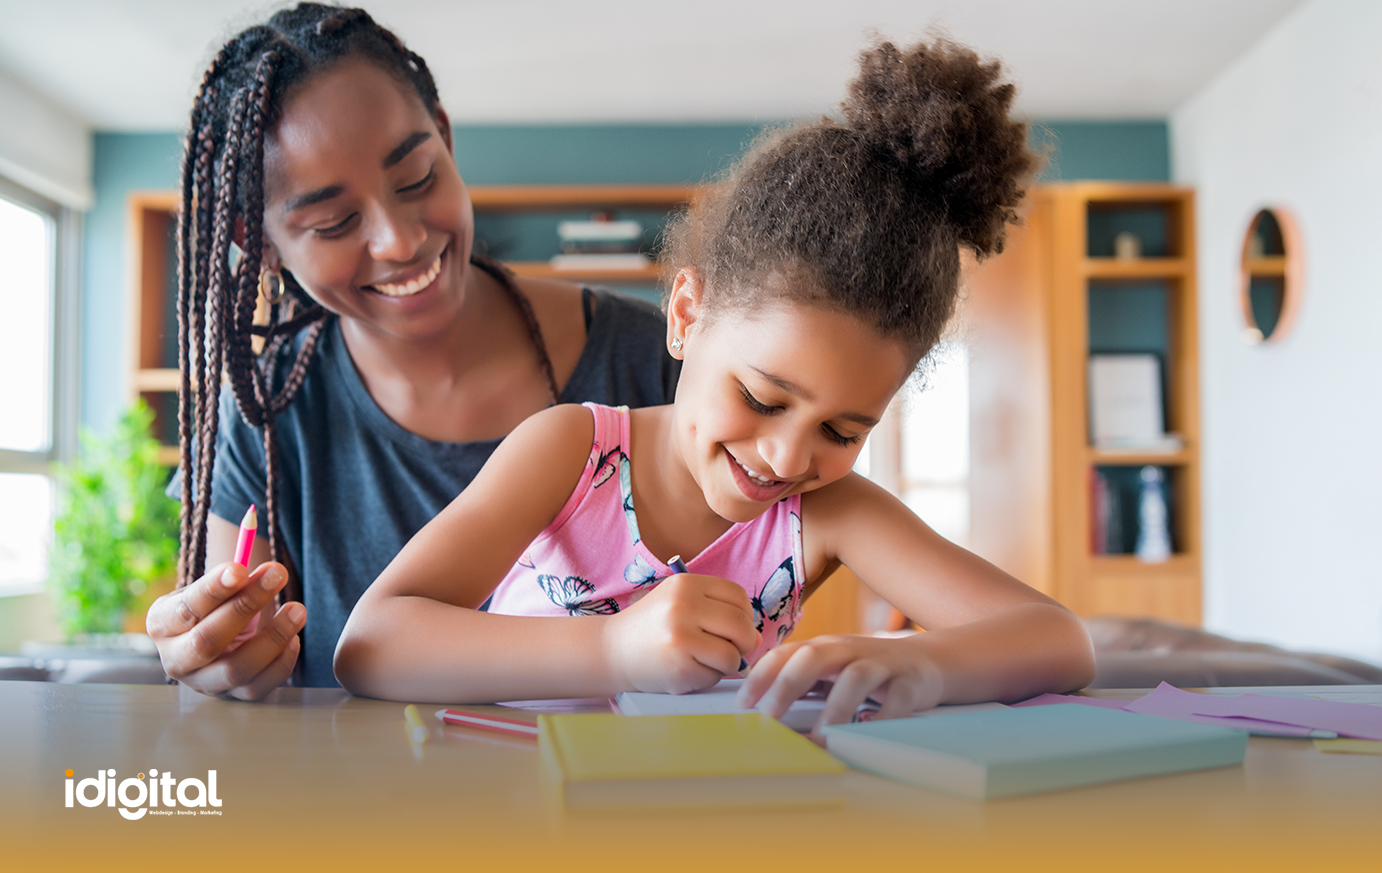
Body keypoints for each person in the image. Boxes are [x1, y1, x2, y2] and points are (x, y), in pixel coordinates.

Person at [334, 37, 1095, 729]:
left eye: (844, 430)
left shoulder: (822, 510)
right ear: (688, 314)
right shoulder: (572, 449)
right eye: (764, 398)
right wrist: (612, 649)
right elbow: (372, 645)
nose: (788, 457)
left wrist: (926, 662)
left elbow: (1059, 641)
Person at [145, 3, 679, 697]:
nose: (397, 240)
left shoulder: (651, 358)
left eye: (418, 178)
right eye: (334, 222)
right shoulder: (265, 415)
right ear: (263, 244)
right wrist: (223, 663)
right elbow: (230, 668)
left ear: (446, 139)